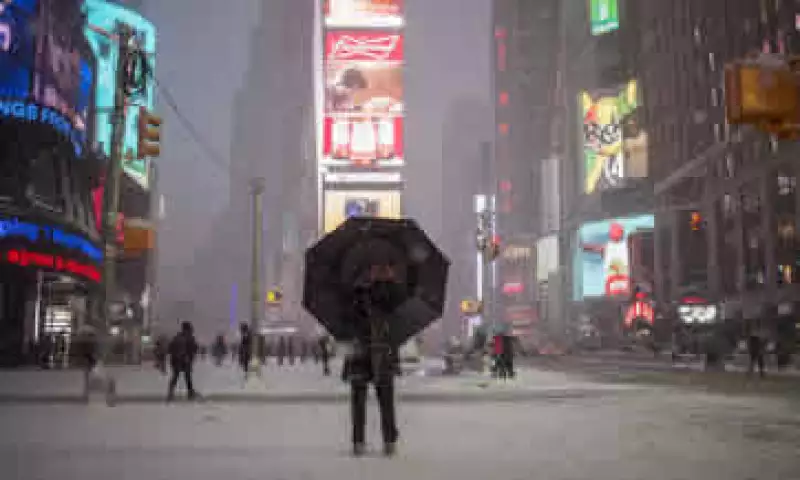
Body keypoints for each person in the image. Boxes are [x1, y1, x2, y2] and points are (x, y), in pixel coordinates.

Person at [345, 269, 401, 457]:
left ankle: (384, 440)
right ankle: (362, 441)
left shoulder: (388, 291)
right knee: (363, 399)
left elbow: (397, 315)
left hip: (377, 350)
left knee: (383, 399)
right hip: (366, 350)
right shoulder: (355, 293)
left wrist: (390, 282)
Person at [167, 321, 199, 401]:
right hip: (184, 360)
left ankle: (171, 392)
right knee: (187, 377)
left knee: (176, 376)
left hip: (176, 360)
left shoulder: (177, 337)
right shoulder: (189, 338)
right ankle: (190, 392)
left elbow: (170, 348)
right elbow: (194, 348)